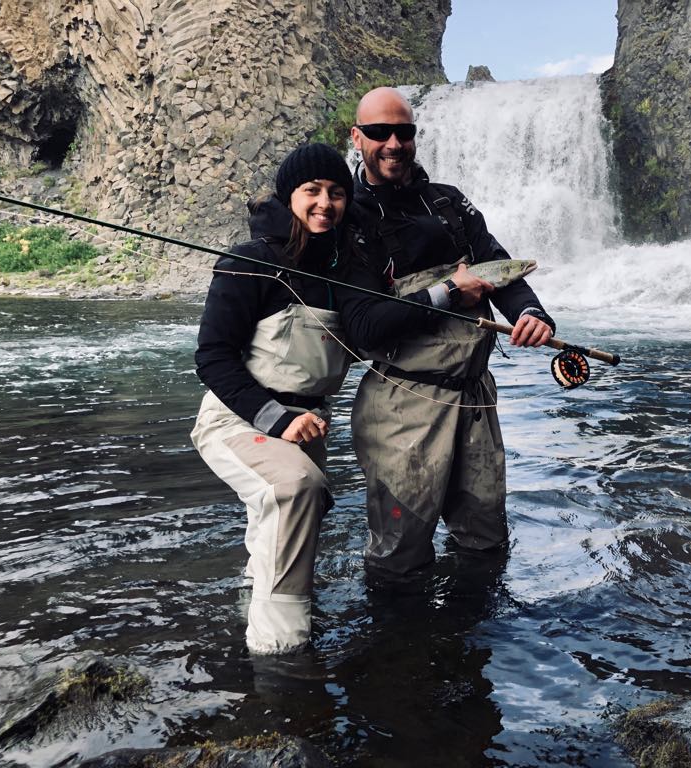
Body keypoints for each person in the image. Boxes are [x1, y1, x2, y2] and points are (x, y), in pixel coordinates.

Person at [336, 86, 556, 575]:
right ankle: (399, 648)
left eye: (404, 132)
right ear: (357, 137)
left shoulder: (450, 203)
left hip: (476, 398)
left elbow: (499, 267)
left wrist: (531, 313)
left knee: (485, 541)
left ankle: (477, 645)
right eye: (379, 133)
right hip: (403, 405)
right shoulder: (346, 217)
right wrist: (451, 293)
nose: (393, 143)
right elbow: (366, 328)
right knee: (400, 555)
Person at [191, 143, 354, 654]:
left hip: (306, 421)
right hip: (238, 418)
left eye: (336, 193)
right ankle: (279, 654)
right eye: (312, 191)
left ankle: (248, 606)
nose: (325, 202)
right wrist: (276, 418)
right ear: (289, 197)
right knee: (296, 488)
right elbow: (213, 357)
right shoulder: (248, 261)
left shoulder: (345, 272)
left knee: (288, 518)